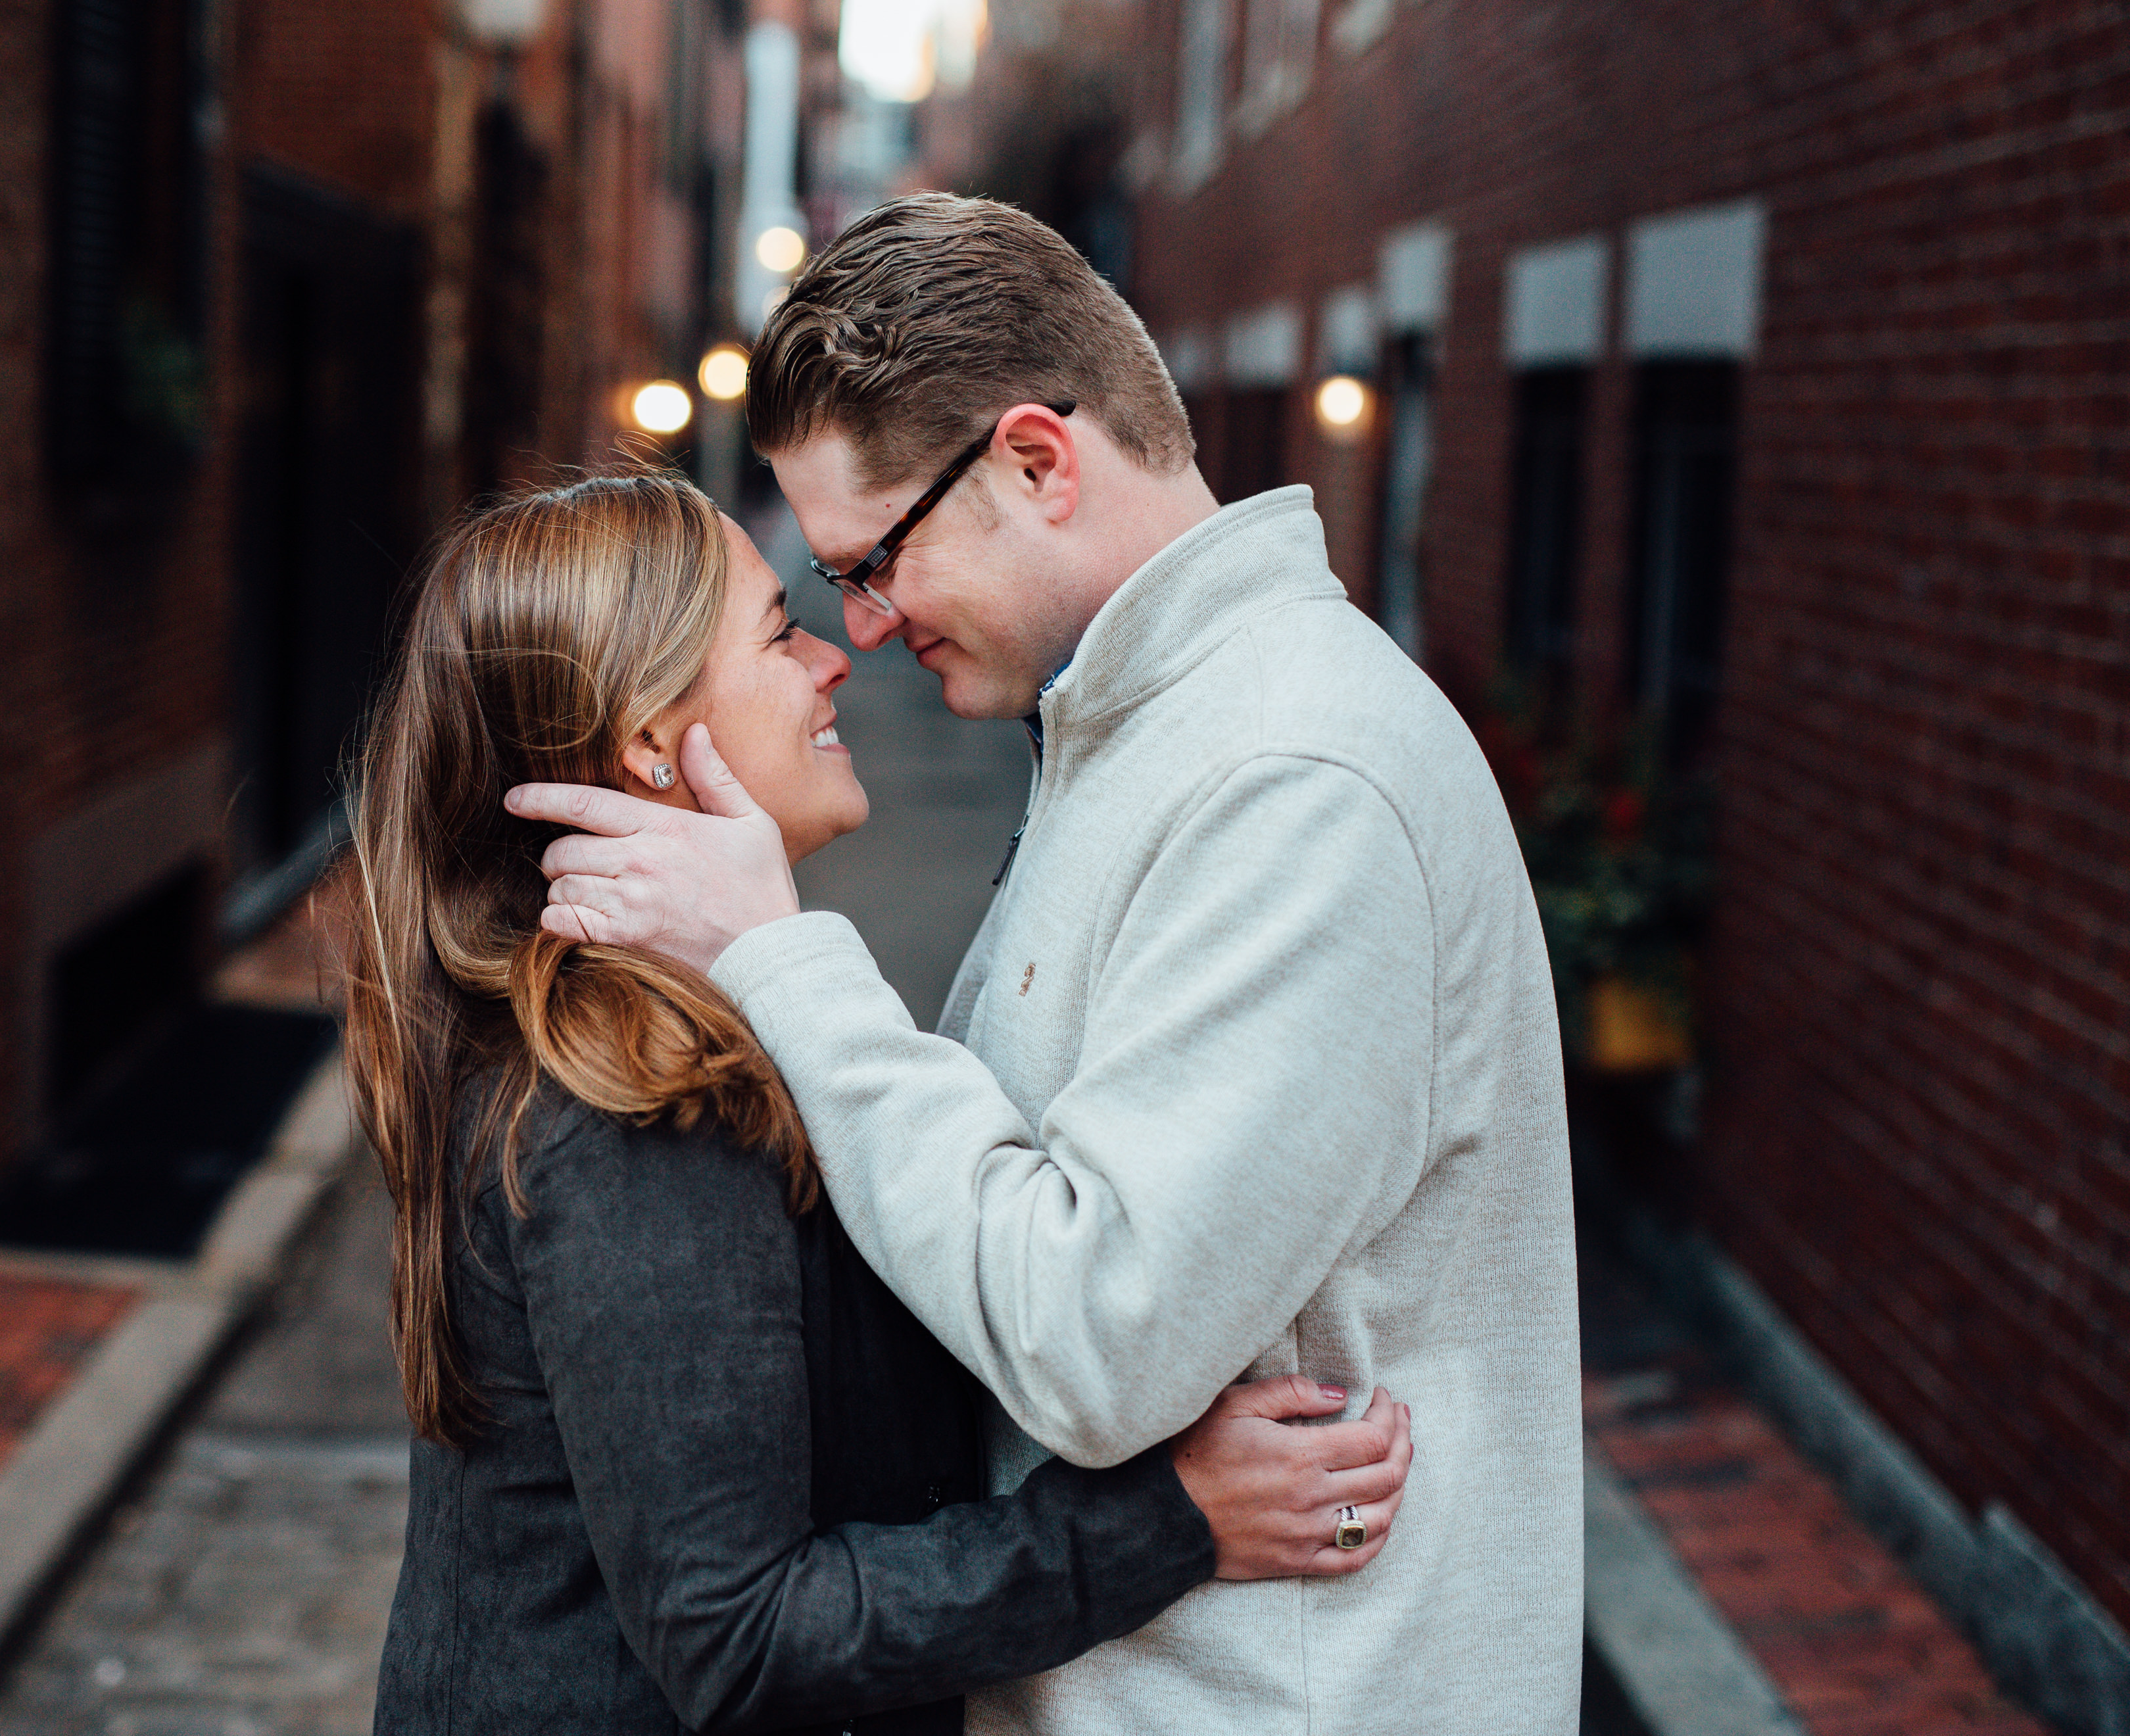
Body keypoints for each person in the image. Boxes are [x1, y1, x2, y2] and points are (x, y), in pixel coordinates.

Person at [506, 195, 1583, 1732]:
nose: (862, 630)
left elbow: (1096, 1340)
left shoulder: (1298, 779)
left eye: (873, 561)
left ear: (1033, 460)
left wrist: (779, 961)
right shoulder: (1144, 730)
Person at [343, 473, 1415, 1736]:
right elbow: (739, 1635)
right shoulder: (633, 1101)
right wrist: (1169, 1523)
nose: (831, 661)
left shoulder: (674, 1024)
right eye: (775, 631)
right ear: (646, 742)